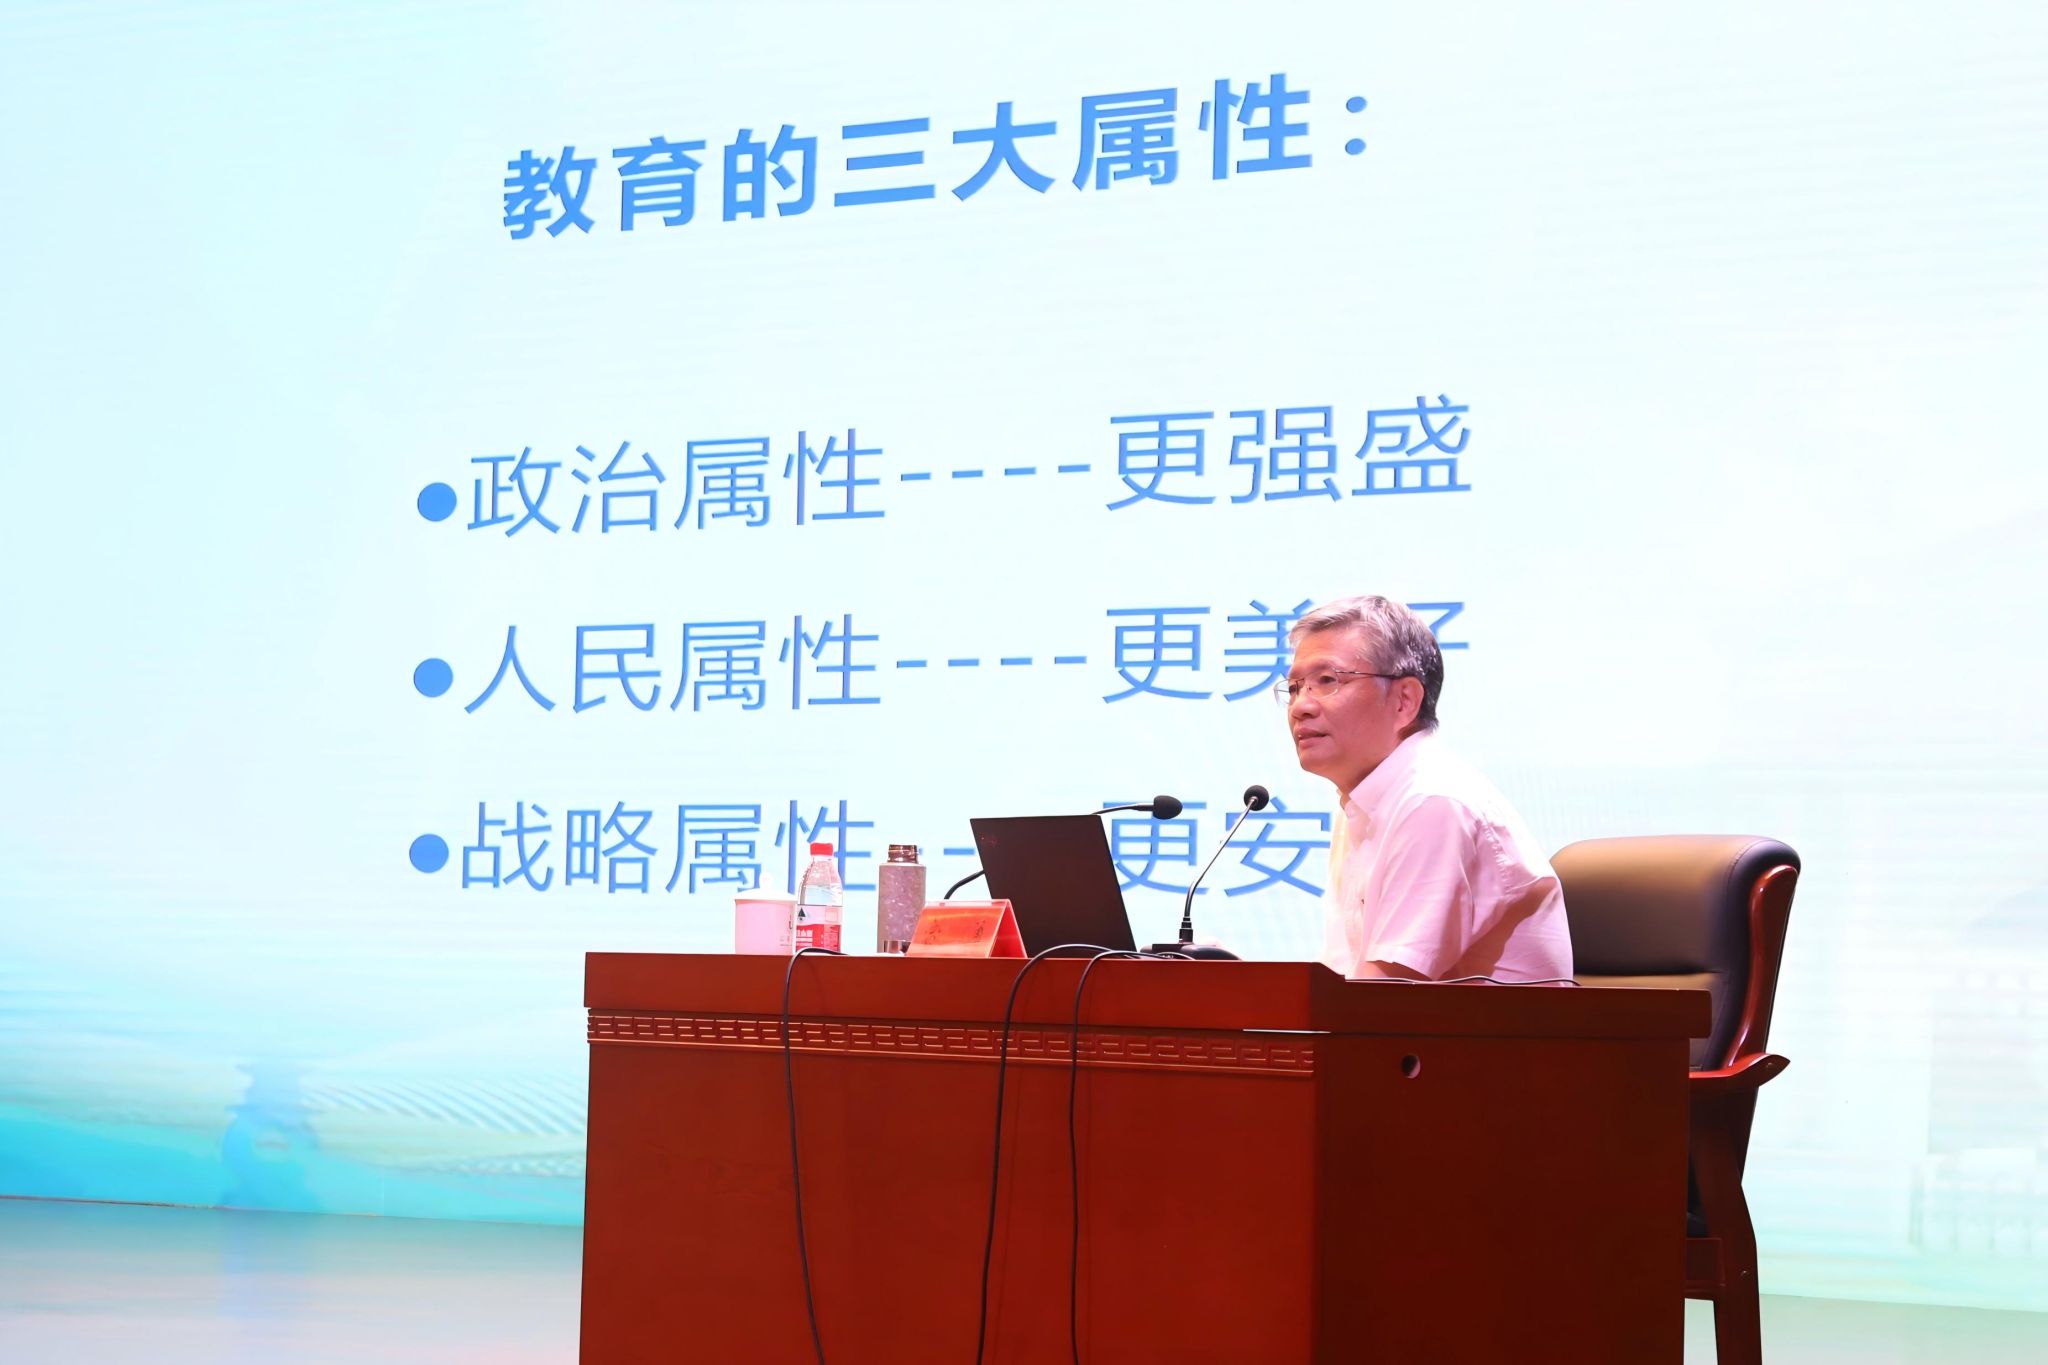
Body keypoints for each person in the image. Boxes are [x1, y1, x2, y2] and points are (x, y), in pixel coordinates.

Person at [1281, 595, 1572, 982]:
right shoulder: (1363, 803)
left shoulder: (1434, 801)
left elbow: (1385, 990)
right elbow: (1343, 977)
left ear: (1404, 700)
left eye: (1327, 681)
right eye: (1295, 687)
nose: (1300, 706)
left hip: (1477, 1026)